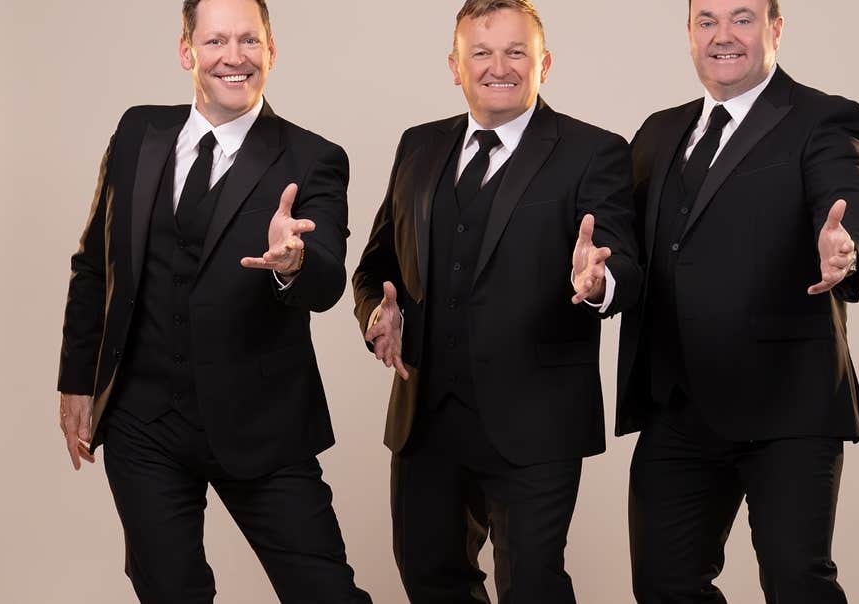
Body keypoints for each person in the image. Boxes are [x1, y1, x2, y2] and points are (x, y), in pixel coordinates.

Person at [55, 0, 372, 601]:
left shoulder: (312, 158)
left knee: (325, 592)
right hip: (142, 422)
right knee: (169, 590)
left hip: (264, 425)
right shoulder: (136, 133)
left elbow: (328, 280)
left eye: (249, 41)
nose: (234, 57)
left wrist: (294, 262)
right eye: (215, 41)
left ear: (271, 52)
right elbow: (95, 265)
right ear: (187, 51)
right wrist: (77, 379)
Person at [352, 1, 641, 601]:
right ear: (456, 67)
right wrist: (378, 315)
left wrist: (597, 283)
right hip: (426, 417)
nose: (498, 67)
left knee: (532, 587)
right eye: (480, 52)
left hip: (538, 419)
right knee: (430, 579)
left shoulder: (594, 150)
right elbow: (377, 265)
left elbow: (627, 269)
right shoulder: (419, 147)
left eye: (516, 52)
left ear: (545, 64)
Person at [618, 0, 859, 602]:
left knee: (796, 584)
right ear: (689, 33)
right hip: (678, 408)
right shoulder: (659, 132)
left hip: (786, 406)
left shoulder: (823, 118)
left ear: (775, 28)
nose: (723, 36)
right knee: (664, 585)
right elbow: (623, 244)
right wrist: (598, 271)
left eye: (742, 17)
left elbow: (851, 197)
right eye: (706, 20)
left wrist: (845, 246)